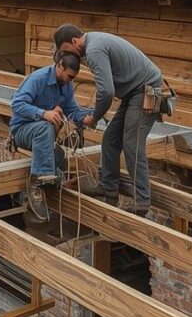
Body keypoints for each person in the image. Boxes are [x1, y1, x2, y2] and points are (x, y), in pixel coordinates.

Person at [53, 23, 163, 214]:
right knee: (111, 138)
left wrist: (94, 117)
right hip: (132, 93)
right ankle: (108, 187)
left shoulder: (94, 49)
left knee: (132, 144)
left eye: (66, 51)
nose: (66, 56)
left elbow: (106, 92)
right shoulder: (92, 43)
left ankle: (142, 201)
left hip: (146, 90)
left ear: (74, 41)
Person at [9, 51, 90, 220]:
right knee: (45, 127)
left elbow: (72, 111)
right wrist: (43, 113)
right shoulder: (38, 79)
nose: (70, 80)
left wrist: (88, 117)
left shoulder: (66, 86)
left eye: (73, 77)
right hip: (22, 130)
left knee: (60, 158)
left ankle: (52, 180)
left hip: (43, 136)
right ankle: (37, 182)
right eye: (69, 76)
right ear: (59, 66)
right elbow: (16, 104)